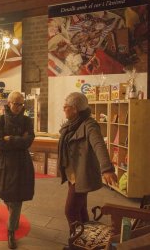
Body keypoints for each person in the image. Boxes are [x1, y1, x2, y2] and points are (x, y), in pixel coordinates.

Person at [58, 92, 117, 239]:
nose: (63, 109)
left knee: (70, 210)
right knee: (81, 208)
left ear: (75, 109)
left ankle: (77, 240)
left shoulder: (89, 125)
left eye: (66, 106)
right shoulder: (70, 125)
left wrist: (107, 168)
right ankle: (87, 239)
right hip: (72, 174)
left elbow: (99, 145)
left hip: (81, 174)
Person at [0, 92, 35, 249]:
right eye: (16, 103)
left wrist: (12, 139)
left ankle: (11, 231)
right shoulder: (0, 120)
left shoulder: (27, 121)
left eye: (21, 104)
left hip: (21, 164)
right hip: (3, 163)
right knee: (5, 194)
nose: (19, 107)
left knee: (16, 198)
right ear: (8, 103)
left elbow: (28, 141)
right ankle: (13, 219)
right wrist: (19, 139)